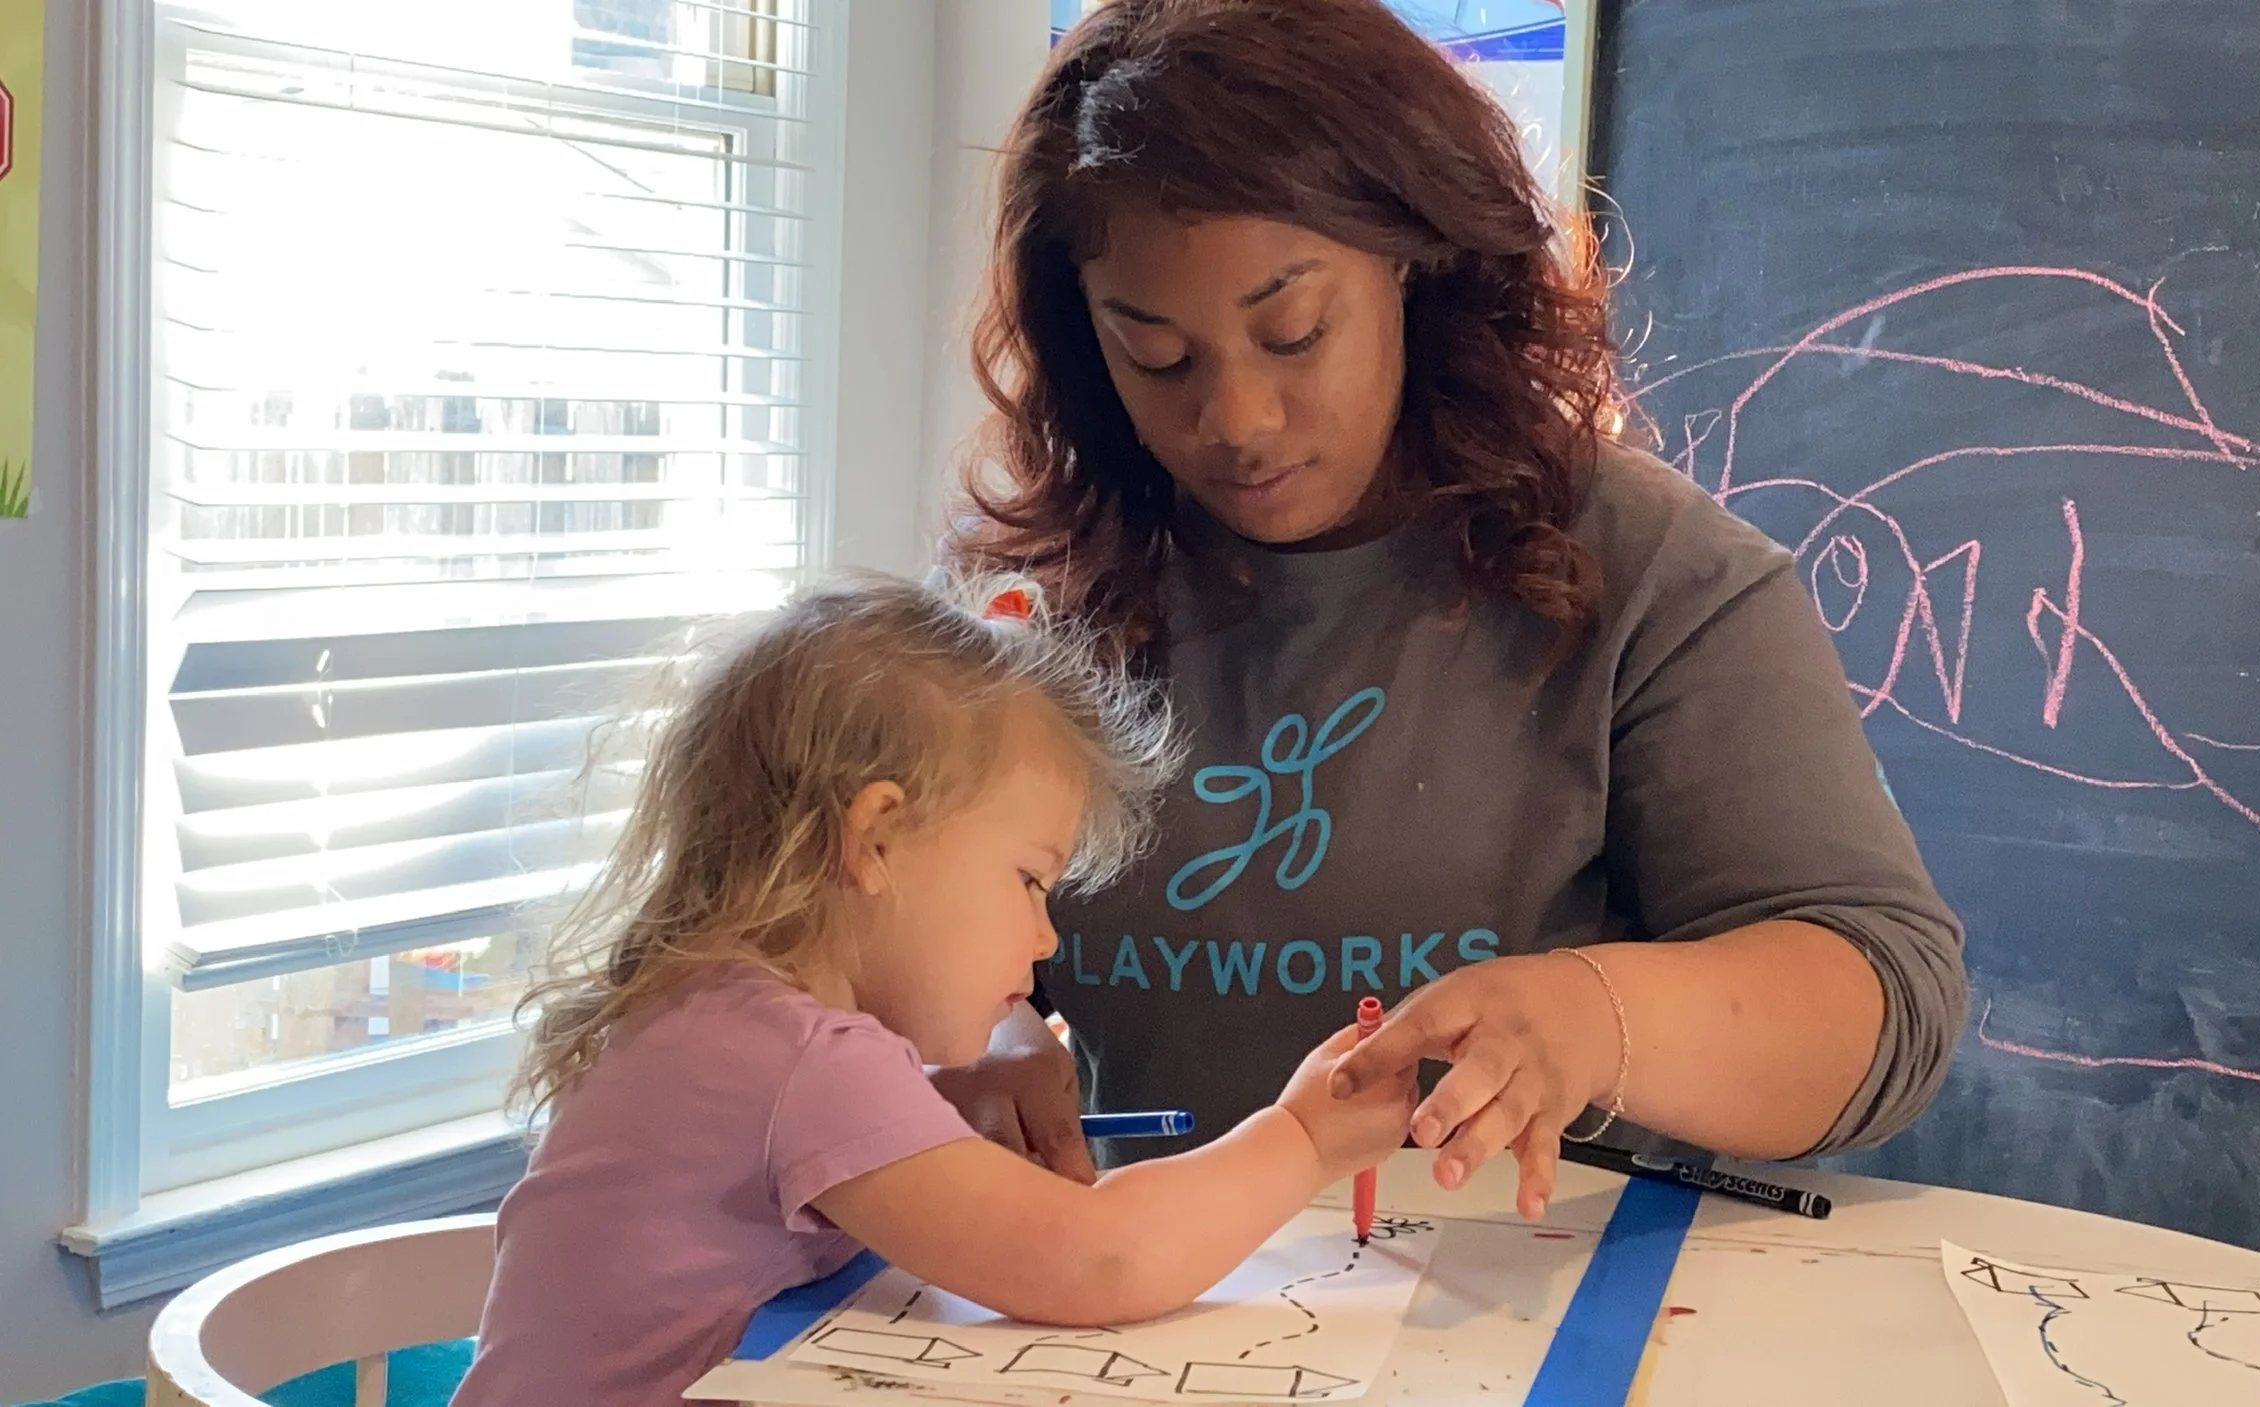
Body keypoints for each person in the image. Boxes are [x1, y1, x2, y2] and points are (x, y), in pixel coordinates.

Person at [939, 0, 1970, 1221]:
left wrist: (1596, 1017)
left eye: (1293, 332)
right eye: (1156, 355)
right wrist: (986, 1030)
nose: (1236, 422)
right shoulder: (1046, 589)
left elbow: (1885, 1004)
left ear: (1417, 268)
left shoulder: (1653, 574)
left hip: (1535, 1312)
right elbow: (897, 924)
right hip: (1154, 1309)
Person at [451, 575, 1418, 1407]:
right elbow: (1100, 1257)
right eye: (1030, 879)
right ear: (876, 840)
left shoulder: (715, 1009)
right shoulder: (804, 1058)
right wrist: (1301, 1140)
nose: (1044, 940)